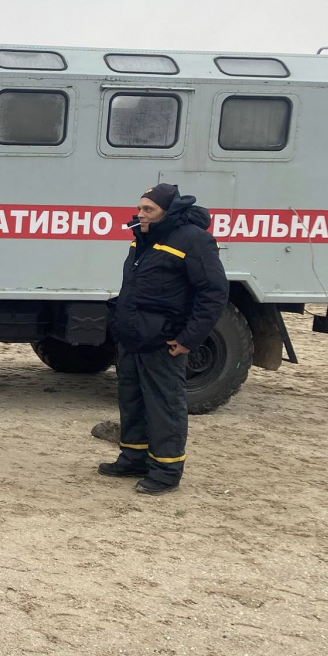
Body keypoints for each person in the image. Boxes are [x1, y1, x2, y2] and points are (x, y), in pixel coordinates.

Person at [100, 183, 228, 495]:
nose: (140, 214)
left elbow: (213, 294)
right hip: (134, 338)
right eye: (140, 208)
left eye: (149, 210)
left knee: (165, 406)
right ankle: (134, 457)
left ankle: (166, 471)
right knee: (133, 401)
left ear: (167, 212)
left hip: (165, 340)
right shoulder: (143, 238)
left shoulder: (194, 240)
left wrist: (188, 339)